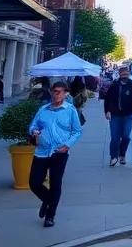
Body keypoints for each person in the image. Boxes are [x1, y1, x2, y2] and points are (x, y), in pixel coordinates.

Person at [28, 82, 83, 228]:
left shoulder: (70, 110)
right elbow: (33, 126)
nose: (56, 94)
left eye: (59, 91)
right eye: (54, 91)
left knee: (55, 182)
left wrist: (67, 145)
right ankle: (47, 199)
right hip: (42, 151)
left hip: (60, 151)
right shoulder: (43, 109)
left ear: (66, 94)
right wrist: (34, 132)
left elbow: (77, 131)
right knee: (34, 182)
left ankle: (50, 215)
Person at [103, 65, 132, 167]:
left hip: (128, 115)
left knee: (126, 136)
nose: (125, 74)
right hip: (115, 114)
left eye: (127, 73)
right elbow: (108, 99)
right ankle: (113, 156)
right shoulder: (114, 85)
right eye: (123, 73)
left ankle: (122, 154)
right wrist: (107, 111)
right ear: (120, 74)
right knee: (115, 137)